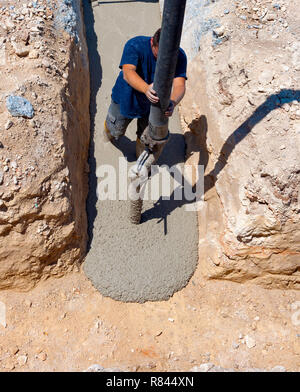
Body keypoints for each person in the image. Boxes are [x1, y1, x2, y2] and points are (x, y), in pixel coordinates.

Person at [104, 28, 187, 156]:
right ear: (152, 42)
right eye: (159, 56)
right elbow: (128, 72)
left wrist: (173, 102)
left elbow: (180, 84)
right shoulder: (135, 45)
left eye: (168, 58)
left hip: (153, 106)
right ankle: (107, 138)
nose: (163, 61)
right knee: (115, 130)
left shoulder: (179, 56)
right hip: (126, 98)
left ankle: (140, 160)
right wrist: (146, 89)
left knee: (146, 141)